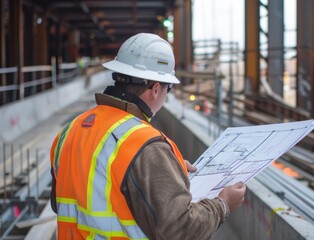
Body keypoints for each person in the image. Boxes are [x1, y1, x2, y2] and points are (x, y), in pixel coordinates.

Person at [50, 33, 246, 240]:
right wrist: (223, 205)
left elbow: (61, 202)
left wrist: (168, 169)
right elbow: (181, 230)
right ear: (155, 89)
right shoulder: (144, 145)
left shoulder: (69, 131)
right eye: (167, 89)